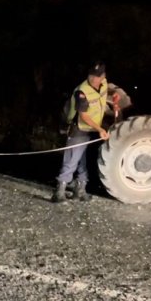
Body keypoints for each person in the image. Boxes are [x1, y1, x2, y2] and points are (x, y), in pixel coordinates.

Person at [53, 61, 110, 203]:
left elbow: (106, 94)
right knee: (72, 158)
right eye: (91, 75)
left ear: (103, 76)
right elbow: (83, 115)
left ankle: (80, 189)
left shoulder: (104, 85)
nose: (93, 78)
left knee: (82, 160)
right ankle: (59, 191)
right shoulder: (82, 91)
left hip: (89, 129)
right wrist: (100, 129)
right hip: (78, 128)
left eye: (96, 76)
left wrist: (116, 98)